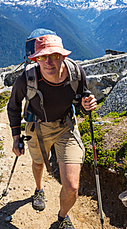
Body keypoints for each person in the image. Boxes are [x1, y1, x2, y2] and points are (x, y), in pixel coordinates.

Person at [7, 34, 97, 229]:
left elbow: (82, 100)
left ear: (62, 56)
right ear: (36, 58)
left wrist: (87, 105)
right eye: (42, 57)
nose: (48, 62)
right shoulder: (26, 78)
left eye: (54, 56)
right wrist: (16, 137)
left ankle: (62, 217)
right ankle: (39, 189)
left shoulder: (76, 73)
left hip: (66, 127)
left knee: (72, 186)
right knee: (38, 162)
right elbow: (13, 106)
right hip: (37, 128)